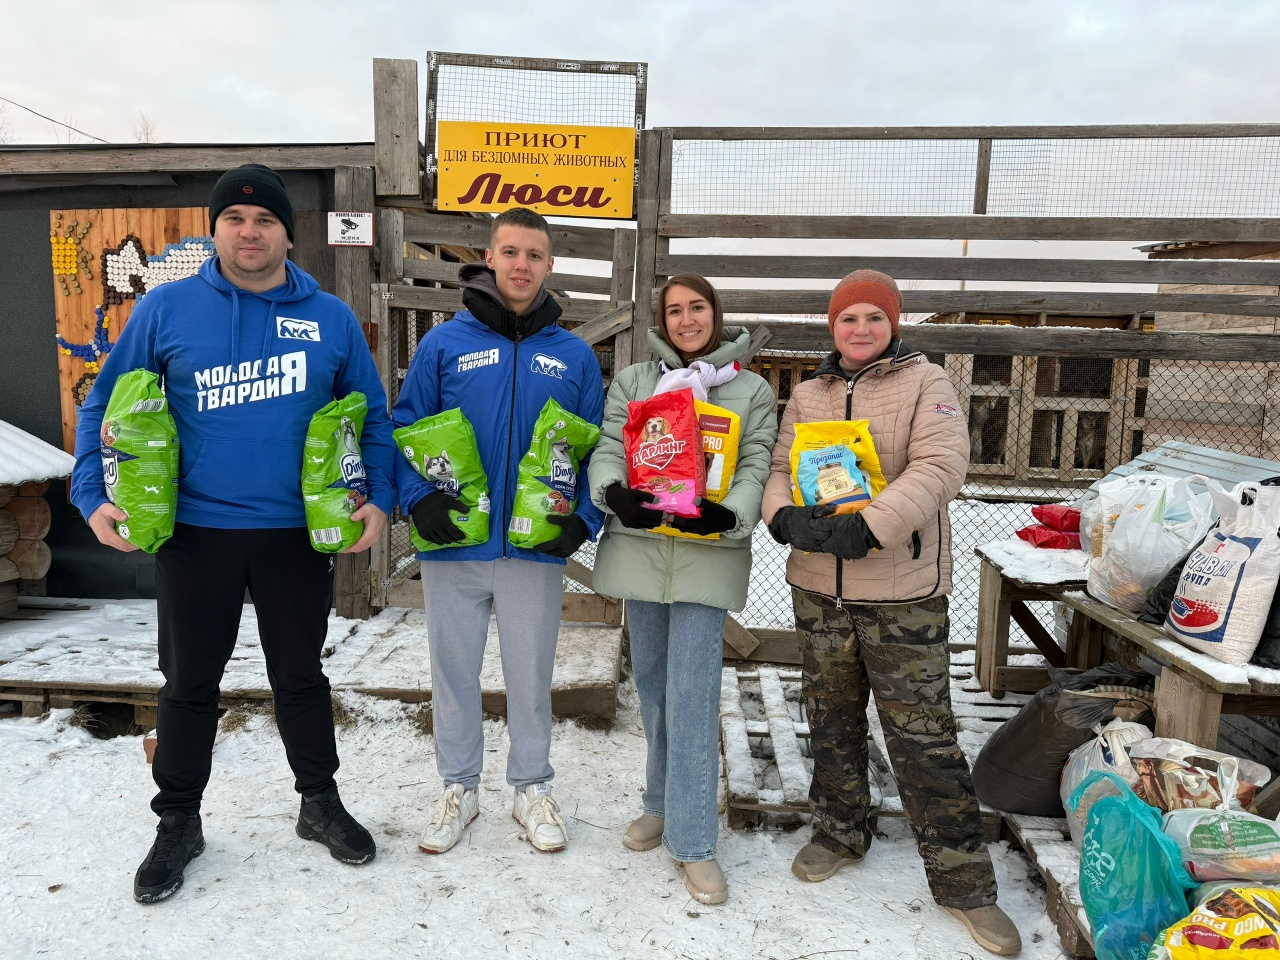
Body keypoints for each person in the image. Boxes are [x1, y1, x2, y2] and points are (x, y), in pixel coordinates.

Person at [70, 164, 395, 903]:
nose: (250, 233)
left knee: (301, 677)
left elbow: (372, 420)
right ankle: (178, 821)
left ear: (288, 231)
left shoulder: (331, 318)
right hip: (194, 532)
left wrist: (377, 500)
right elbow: (104, 408)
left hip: (293, 535)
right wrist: (92, 492)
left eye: (265, 221)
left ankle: (319, 803)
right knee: (188, 685)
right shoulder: (167, 310)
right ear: (214, 229)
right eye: (235, 220)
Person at [760, 270, 1022, 956]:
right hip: (819, 587)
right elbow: (782, 465)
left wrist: (870, 526)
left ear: (894, 323)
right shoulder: (810, 392)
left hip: (901, 593)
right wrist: (782, 516)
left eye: (875, 317)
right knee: (830, 716)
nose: (861, 329)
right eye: (849, 319)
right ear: (831, 327)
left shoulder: (925, 383)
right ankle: (840, 831)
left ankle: (965, 882)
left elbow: (942, 466)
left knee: (923, 736)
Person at [393, 207, 604, 856]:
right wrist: (415, 500)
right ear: (489, 258)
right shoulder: (443, 345)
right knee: (452, 671)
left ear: (549, 266)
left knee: (530, 672)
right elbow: (404, 428)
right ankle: (460, 787)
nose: (521, 266)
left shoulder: (572, 355)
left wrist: (583, 520)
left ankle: (531, 787)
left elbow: (599, 450)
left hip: (531, 550)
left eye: (534, 255)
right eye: (510, 252)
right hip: (455, 542)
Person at [588, 274, 777, 904]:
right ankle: (660, 802)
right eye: (674, 310)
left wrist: (732, 513)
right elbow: (611, 445)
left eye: (697, 308)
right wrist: (615, 494)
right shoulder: (637, 382)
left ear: (716, 315)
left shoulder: (749, 390)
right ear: (661, 320)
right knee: (654, 692)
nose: (687, 319)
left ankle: (695, 842)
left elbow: (755, 462)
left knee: (692, 699)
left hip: (705, 556)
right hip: (642, 552)